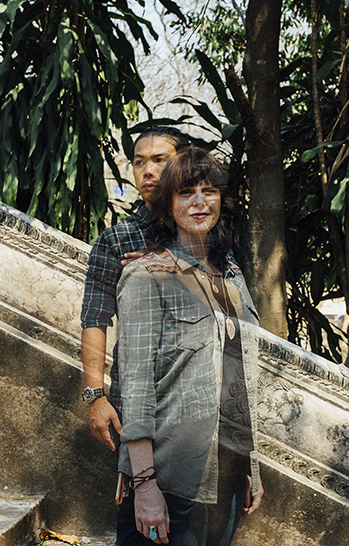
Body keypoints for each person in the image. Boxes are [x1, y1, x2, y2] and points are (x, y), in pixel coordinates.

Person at [114, 147, 263, 545]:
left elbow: (243, 376)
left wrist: (253, 466)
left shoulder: (231, 276)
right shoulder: (146, 276)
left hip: (227, 477)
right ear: (167, 205)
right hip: (168, 480)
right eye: (185, 193)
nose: (199, 202)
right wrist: (143, 486)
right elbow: (137, 387)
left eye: (208, 190)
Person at [80, 127, 190, 451]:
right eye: (140, 162)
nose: (149, 170)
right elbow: (93, 320)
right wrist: (95, 397)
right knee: (136, 498)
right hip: (135, 401)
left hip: (198, 400)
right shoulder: (115, 241)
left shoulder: (206, 235)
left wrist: (172, 265)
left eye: (160, 160)